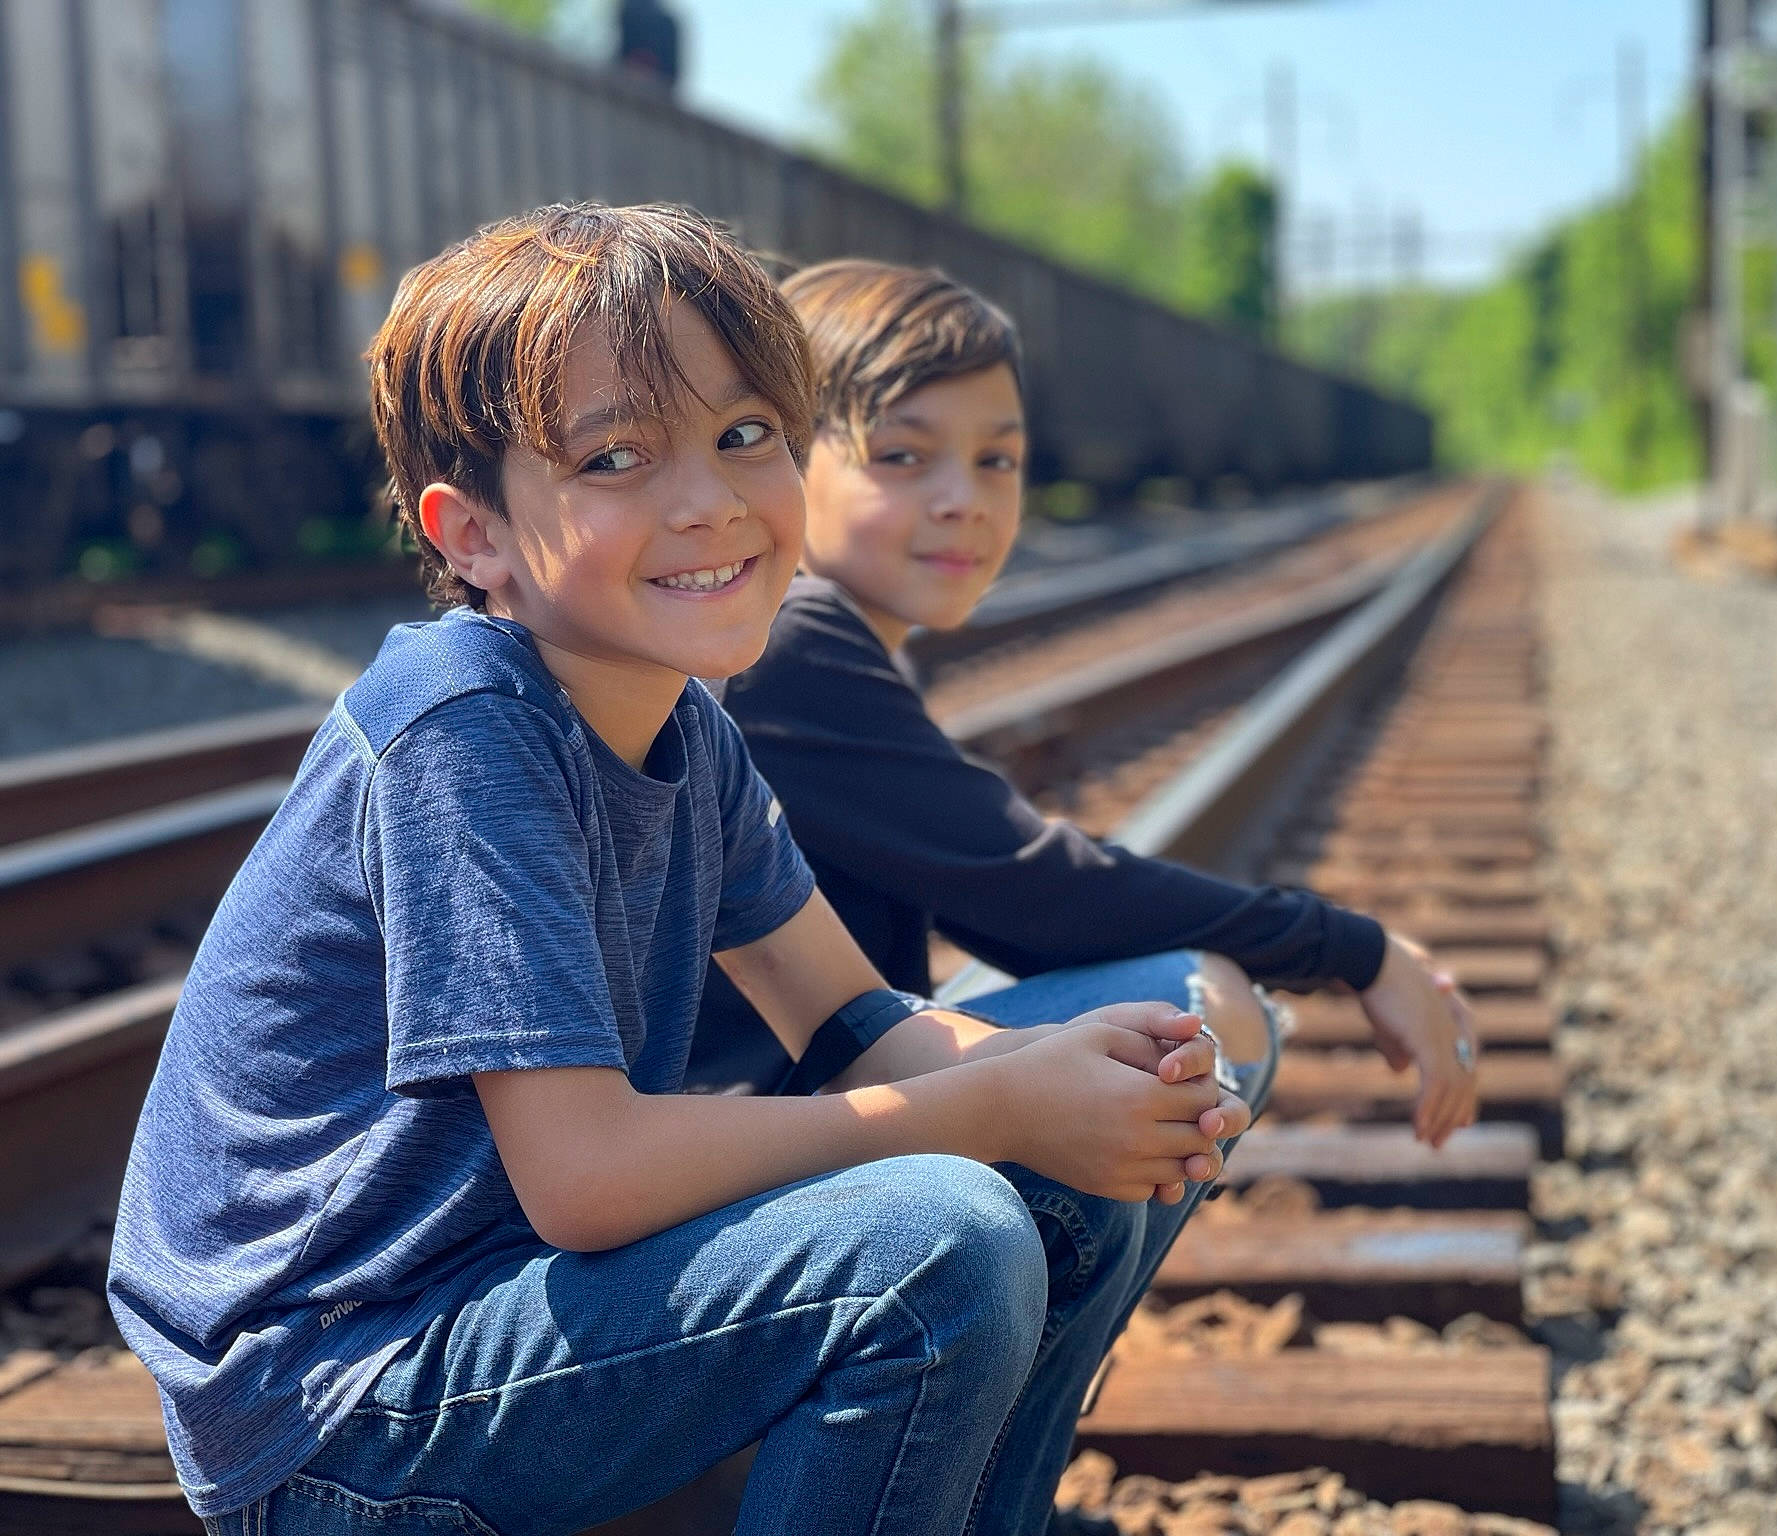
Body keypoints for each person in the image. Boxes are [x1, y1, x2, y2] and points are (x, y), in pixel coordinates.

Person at [105, 204, 1250, 1536]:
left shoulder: (684, 723)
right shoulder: (464, 728)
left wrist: (1071, 1077)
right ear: (472, 536)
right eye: (617, 457)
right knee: (943, 1242)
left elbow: (857, 1025)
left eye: (743, 435)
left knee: (1073, 1185)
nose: (705, 498)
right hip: (341, 1402)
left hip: (503, 1310)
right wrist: (994, 1112)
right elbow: (590, 1179)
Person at [691, 258, 1480, 1156]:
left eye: (999, 460)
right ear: (788, 462)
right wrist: (1350, 950)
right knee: (1195, 1004)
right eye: (903, 455)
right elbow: (1035, 889)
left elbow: (1005, 898)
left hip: (808, 1109)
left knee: (1157, 1025)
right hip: (767, 1143)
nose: (964, 501)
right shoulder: (790, 641)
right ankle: (1005, 1301)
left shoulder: (812, 637)